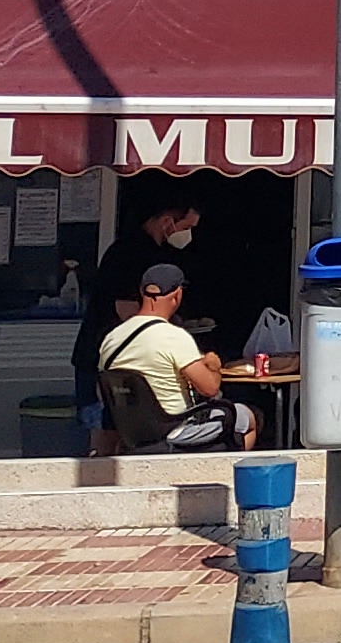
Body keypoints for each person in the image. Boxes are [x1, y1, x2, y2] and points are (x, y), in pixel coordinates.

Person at [73, 190, 203, 449]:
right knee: (105, 436)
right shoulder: (130, 253)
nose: (188, 235)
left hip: (119, 360)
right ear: (167, 222)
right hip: (102, 358)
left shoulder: (151, 251)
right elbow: (125, 308)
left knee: (127, 437)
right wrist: (170, 332)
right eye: (186, 227)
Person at [97, 265, 248, 452]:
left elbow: (104, 391)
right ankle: (229, 468)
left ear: (142, 292)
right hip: (176, 429)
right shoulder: (174, 336)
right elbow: (210, 388)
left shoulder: (111, 338)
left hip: (131, 433)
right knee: (247, 416)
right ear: (177, 295)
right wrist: (214, 366)